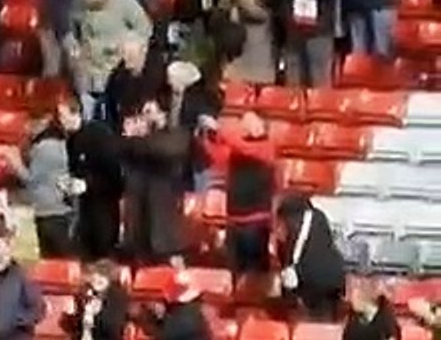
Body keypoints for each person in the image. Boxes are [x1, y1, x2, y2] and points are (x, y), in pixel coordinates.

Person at [65, 0, 152, 125]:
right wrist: (73, 46)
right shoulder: (79, 5)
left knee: (114, 118)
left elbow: (145, 28)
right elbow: (71, 30)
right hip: (88, 73)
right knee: (88, 118)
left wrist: (128, 45)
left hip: (117, 73)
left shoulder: (125, 2)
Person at [202, 111, 276, 276]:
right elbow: (217, 155)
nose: (243, 127)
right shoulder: (237, 149)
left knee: (255, 275)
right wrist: (208, 136)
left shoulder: (266, 146)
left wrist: (220, 130)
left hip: (256, 222)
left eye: (247, 123)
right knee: (235, 273)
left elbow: (242, 147)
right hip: (234, 221)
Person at [121, 100, 190, 265]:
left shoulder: (176, 135)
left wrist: (139, 138)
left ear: (162, 114)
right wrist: (132, 136)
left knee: (170, 263)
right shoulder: (136, 142)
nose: (146, 116)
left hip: (164, 220)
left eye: (150, 111)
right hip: (140, 219)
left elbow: (165, 150)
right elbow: (121, 149)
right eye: (144, 112)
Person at [0, 113, 74, 258]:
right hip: (55, 211)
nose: (26, 126)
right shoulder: (58, 143)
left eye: (30, 121)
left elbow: (31, 180)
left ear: (44, 121)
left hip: (52, 212)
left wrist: (14, 161)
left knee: (56, 258)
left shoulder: (45, 147)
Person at [60, 99, 123, 260]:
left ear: (75, 113)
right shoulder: (71, 141)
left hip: (105, 210)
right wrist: (68, 184)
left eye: (62, 115)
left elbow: (114, 176)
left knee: (103, 256)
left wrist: (88, 185)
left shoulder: (99, 134)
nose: (60, 120)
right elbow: (75, 170)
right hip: (85, 211)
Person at [276, 194, 345, 321]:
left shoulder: (302, 229)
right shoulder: (318, 218)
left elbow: (291, 275)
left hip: (314, 292)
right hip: (327, 286)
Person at [62, 260, 129, 340]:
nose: (97, 280)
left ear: (110, 279)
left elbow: (114, 329)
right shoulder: (83, 295)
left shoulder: (118, 298)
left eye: (102, 277)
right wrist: (70, 315)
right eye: (95, 276)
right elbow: (70, 328)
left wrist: (97, 315)